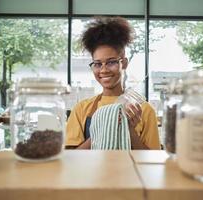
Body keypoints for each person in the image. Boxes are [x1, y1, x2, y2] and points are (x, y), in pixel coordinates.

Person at [66, 16, 161, 150]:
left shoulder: (143, 110)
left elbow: (153, 159)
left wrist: (130, 131)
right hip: (90, 171)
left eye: (111, 62)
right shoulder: (81, 109)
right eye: (97, 64)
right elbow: (70, 157)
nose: (103, 70)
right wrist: (103, 128)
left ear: (124, 63)